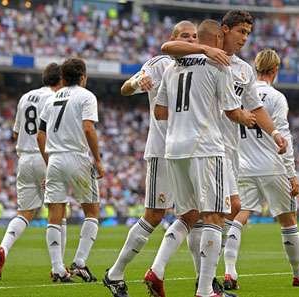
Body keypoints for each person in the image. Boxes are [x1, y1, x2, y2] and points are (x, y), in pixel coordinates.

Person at [158, 9, 287, 291]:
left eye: (248, 33)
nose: (244, 38)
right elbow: (166, 47)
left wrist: (274, 131)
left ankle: (181, 273)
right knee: (215, 213)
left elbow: (255, 106)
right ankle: (208, 282)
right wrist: (204, 47)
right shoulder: (202, 59)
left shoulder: (242, 69)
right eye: (241, 31)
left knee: (203, 214)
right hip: (208, 148)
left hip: (225, 149)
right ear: (224, 30)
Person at [144, 19, 255, 297]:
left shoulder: (172, 68)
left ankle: (156, 270)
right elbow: (232, 112)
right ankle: (205, 290)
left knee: (188, 215)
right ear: (218, 38)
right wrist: (246, 117)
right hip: (205, 148)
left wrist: (188, 112)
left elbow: (160, 113)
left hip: (174, 150)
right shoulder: (219, 65)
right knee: (214, 216)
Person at [103, 20, 197, 297]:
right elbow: (125, 88)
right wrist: (136, 82)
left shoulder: (200, 66)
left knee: (194, 214)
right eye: (185, 36)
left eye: (194, 36)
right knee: (155, 215)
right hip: (162, 150)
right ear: (173, 38)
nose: (191, 41)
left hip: (190, 151)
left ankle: (201, 281)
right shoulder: (159, 63)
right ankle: (115, 273)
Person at [222, 48, 299, 291]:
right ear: (275, 70)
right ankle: (298, 273)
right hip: (273, 167)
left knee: (239, 216)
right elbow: (283, 136)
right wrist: (292, 173)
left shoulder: (242, 95)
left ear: (256, 68)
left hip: (244, 166)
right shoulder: (276, 98)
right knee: (288, 220)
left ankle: (230, 271)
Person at [0, 63, 62, 280]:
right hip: (45, 157)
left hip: (24, 159)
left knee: (25, 213)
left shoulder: (25, 97)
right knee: (58, 211)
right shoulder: (55, 98)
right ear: (61, 80)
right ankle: (58, 267)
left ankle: (4, 247)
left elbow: (15, 133)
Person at [38, 58, 104, 283]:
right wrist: (97, 159)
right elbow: (88, 128)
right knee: (92, 211)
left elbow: (40, 134)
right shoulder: (87, 96)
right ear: (83, 77)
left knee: (55, 215)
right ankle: (79, 262)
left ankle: (58, 268)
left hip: (54, 159)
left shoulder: (52, 98)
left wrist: (49, 162)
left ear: (63, 78)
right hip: (77, 158)